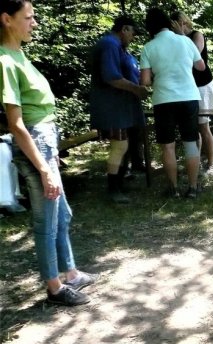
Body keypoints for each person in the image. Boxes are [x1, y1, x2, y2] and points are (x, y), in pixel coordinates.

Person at [0, 0, 95, 306]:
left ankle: (70, 273)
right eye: (28, 17)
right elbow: (16, 125)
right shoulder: (4, 61)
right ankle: (54, 288)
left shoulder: (19, 54)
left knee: (62, 214)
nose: (35, 23)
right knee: (47, 222)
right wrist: (43, 167)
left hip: (46, 142)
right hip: (35, 144)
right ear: (6, 19)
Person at [140, 8, 205, 198]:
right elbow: (200, 66)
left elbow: (145, 81)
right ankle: (193, 188)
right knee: (190, 142)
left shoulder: (148, 47)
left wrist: (155, 74)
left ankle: (173, 188)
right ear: (169, 23)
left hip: (163, 99)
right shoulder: (185, 40)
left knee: (168, 146)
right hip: (189, 97)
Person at [89, 15, 148, 204]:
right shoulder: (109, 44)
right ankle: (113, 189)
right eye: (132, 32)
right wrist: (137, 89)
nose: (133, 37)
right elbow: (111, 76)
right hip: (112, 106)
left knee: (126, 144)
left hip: (122, 106)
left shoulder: (118, 47)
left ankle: (120, 182)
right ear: (124, 29)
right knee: (120, 145)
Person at [171, 11, 213, 176]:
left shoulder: (197, 35)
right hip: (188, 87)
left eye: (176, 24)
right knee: (192, 127)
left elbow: (194, 56)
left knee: (203, 125)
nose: (175, 28)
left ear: (183, 22)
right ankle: (195, 163)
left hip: (202, 85)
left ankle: (212, 164)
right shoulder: (176, 39)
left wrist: (179, 36)